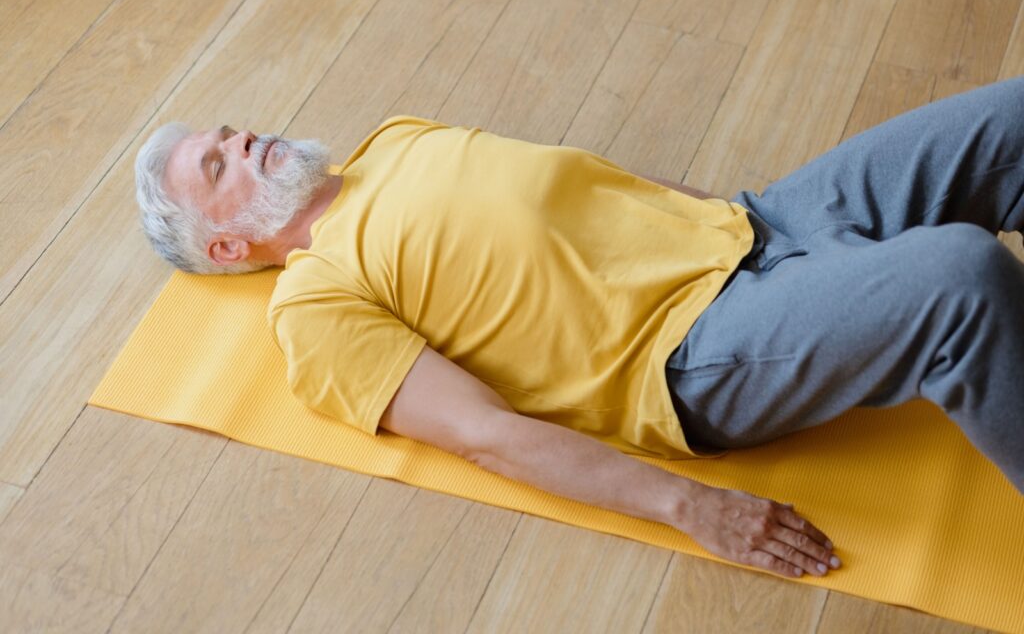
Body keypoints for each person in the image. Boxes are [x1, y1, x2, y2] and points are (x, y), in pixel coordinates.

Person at [134, 77, 1024, 582]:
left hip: (758, 224)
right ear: (227, 242)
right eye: (218, 161)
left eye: (228, 130)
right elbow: (488, 436)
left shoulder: (394, 140)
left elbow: (593, 189)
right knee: (959, 277)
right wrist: (691, 508)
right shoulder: (314, 307)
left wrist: (740, 223)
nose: (243, 138)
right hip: (699, 351)